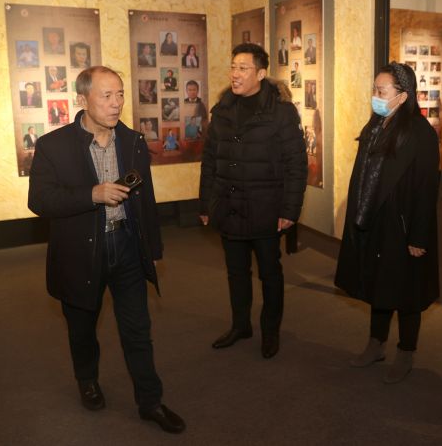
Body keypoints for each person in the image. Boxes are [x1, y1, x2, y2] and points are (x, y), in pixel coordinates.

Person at [27, 66, 184, 434]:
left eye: (120, 94)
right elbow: (40, 201)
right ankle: (87, 381)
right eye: (107, 96)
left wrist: (153, 247)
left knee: (138, 330)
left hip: (127, 246)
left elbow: (145, 198)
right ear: (82, 99)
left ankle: (151, 402)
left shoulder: (132, 141)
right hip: (80, 254)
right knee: (82, 329)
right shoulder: (53, 145)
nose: (117, 104)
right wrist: (92, 195)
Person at [199, 43, 307, 359]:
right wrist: (205, 204)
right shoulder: (222, 110)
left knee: (270, 274)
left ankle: (270, 331)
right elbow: (210, 160)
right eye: (233, 67)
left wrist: (290, 210)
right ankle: (240, 325)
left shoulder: (281, 112)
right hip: (229, 206)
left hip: (266, 208)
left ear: (260, 74)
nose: (235, 74)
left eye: (243, 68)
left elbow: (296, 164)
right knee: (236, 272)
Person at [334, 62, 439, 384]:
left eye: (382, 91)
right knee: (379, 285)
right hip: (375, 220)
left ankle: (406, 351)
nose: (375, 96)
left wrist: (418, 237)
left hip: (403, 226)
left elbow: (426, 189)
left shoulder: (420, 133)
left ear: (403, 96)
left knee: (406, 292)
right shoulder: (375, 126)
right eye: (375, 90)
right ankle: (375, 344)